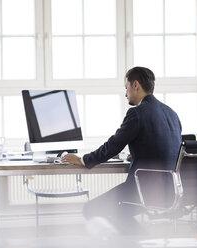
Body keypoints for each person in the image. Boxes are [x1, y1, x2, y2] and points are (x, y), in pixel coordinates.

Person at [61, 66, 182, 235]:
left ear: (135, 85)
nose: (125, 94)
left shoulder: (137, 113)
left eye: (126, 87)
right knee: (120, 213)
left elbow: (113, 146)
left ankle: (141, 241)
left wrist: (83, 160)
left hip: (144, 190)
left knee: (91, 209)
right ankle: (140, 241)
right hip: (170, 190)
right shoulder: (172, 114)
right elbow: (166, 146)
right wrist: (140, 152)